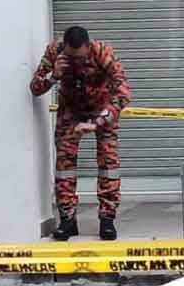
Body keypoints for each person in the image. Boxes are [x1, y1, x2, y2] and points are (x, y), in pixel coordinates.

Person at [30, 26, 131, 241]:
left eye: (80, 58)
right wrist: (53, 76)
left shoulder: (103, 53)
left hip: (102, 110)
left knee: (108, 163)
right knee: (64, 166)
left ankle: (107, 219)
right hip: (70, 110)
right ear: (64, 47)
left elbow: (123, 94)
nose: (76, 62)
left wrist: (98, 122)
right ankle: (67, 220)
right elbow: (35, 88)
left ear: (88, 46)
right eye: (71, 58)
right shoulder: (54, 52)